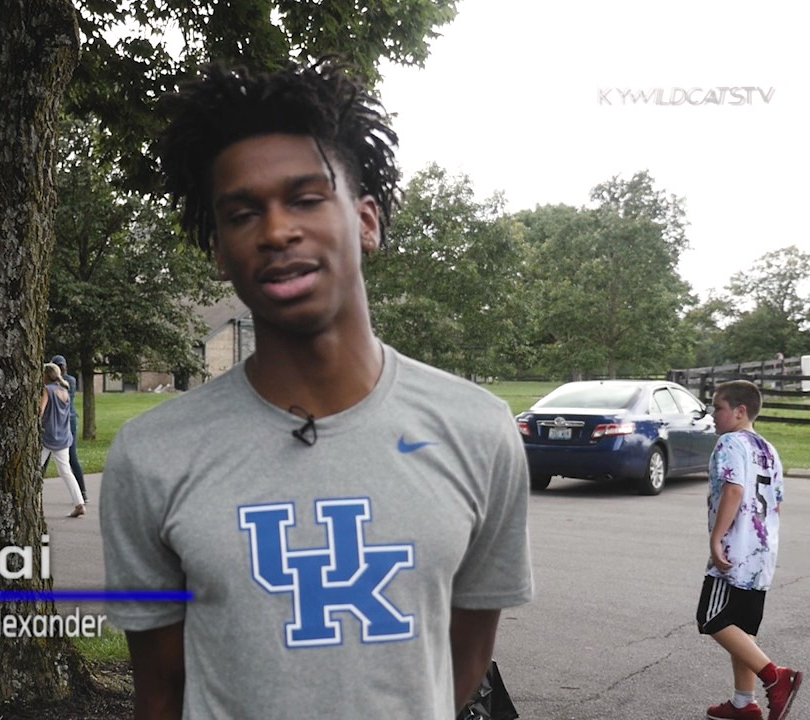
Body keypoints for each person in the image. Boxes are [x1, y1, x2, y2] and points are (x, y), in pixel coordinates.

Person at [100, 60, 532, 719]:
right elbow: (159, 691)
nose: (276, 232)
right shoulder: (151, 454)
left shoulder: (478, 429)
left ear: (366, 221)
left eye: (305, 198)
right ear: (220, 250)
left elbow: (463, 659)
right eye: (243, 213)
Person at [698, 380, 803, 720]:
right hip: (761, 551)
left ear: (740, 411)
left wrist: (717, 538)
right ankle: (744, 703)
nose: (713, 414)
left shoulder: (730, 442)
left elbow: (734, 489)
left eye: (718, 407)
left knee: (711, 618)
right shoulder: (769, 449)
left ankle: (776, 678)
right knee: (742, 628)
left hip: (735, 547)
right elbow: (778, 505)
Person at [40, 362, 85, 518]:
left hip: (48, 436)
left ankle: (32, 502)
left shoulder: (47, 390)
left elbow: (40, 411)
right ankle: (79, 503)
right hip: (63, 437)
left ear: (45, 376)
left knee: (35, 470)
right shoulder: (64, 391)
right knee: (66, 472)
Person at [50, 354, 87, 501]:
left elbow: (61, 391)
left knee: (72, 457)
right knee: (45, 458)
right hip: (58, 422)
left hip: (68, 422)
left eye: (61, 366)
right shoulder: (54, 384)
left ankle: (82, 492)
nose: (61, 368)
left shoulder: (68, 381)